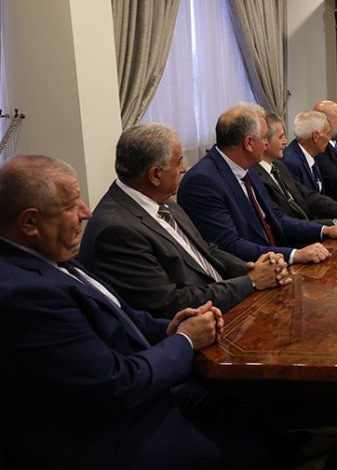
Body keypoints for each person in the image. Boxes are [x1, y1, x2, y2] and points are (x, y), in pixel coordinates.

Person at [0, 155, 266, 469]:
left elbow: (125, 317)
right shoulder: (24, 294)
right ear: (29, 223)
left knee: (257, 405)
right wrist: (184, 340)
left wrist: (170, 327)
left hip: (144, 391)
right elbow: (116, 385)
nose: (86, 212)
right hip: (109, 434)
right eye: (70, 207)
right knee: (249, 449)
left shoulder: (49, 257)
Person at [79, 123, 291, 318]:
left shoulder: (164, 201)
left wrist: (251, 268)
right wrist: (251, 282)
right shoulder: (117, 230)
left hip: (226, 302)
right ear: (155, 175)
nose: (184, 168)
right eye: (179, 161)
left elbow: (207, 250)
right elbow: (170, 303)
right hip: (199, 325)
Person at [177, 103, 337, 265]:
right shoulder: (202, 181)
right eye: (264, 137)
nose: (266, 143)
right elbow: (229, 245)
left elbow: (278, 219)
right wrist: (294, 255)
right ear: (249, 143)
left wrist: (326, 230)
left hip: (275, 259)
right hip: (251, 273)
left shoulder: (248, 168)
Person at [256, 112, 337, 226]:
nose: (285, 142)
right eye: (281, 137)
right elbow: (289, 219)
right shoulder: (289, 162)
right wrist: (335, 223)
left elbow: (310, 197)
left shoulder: (279, 165)